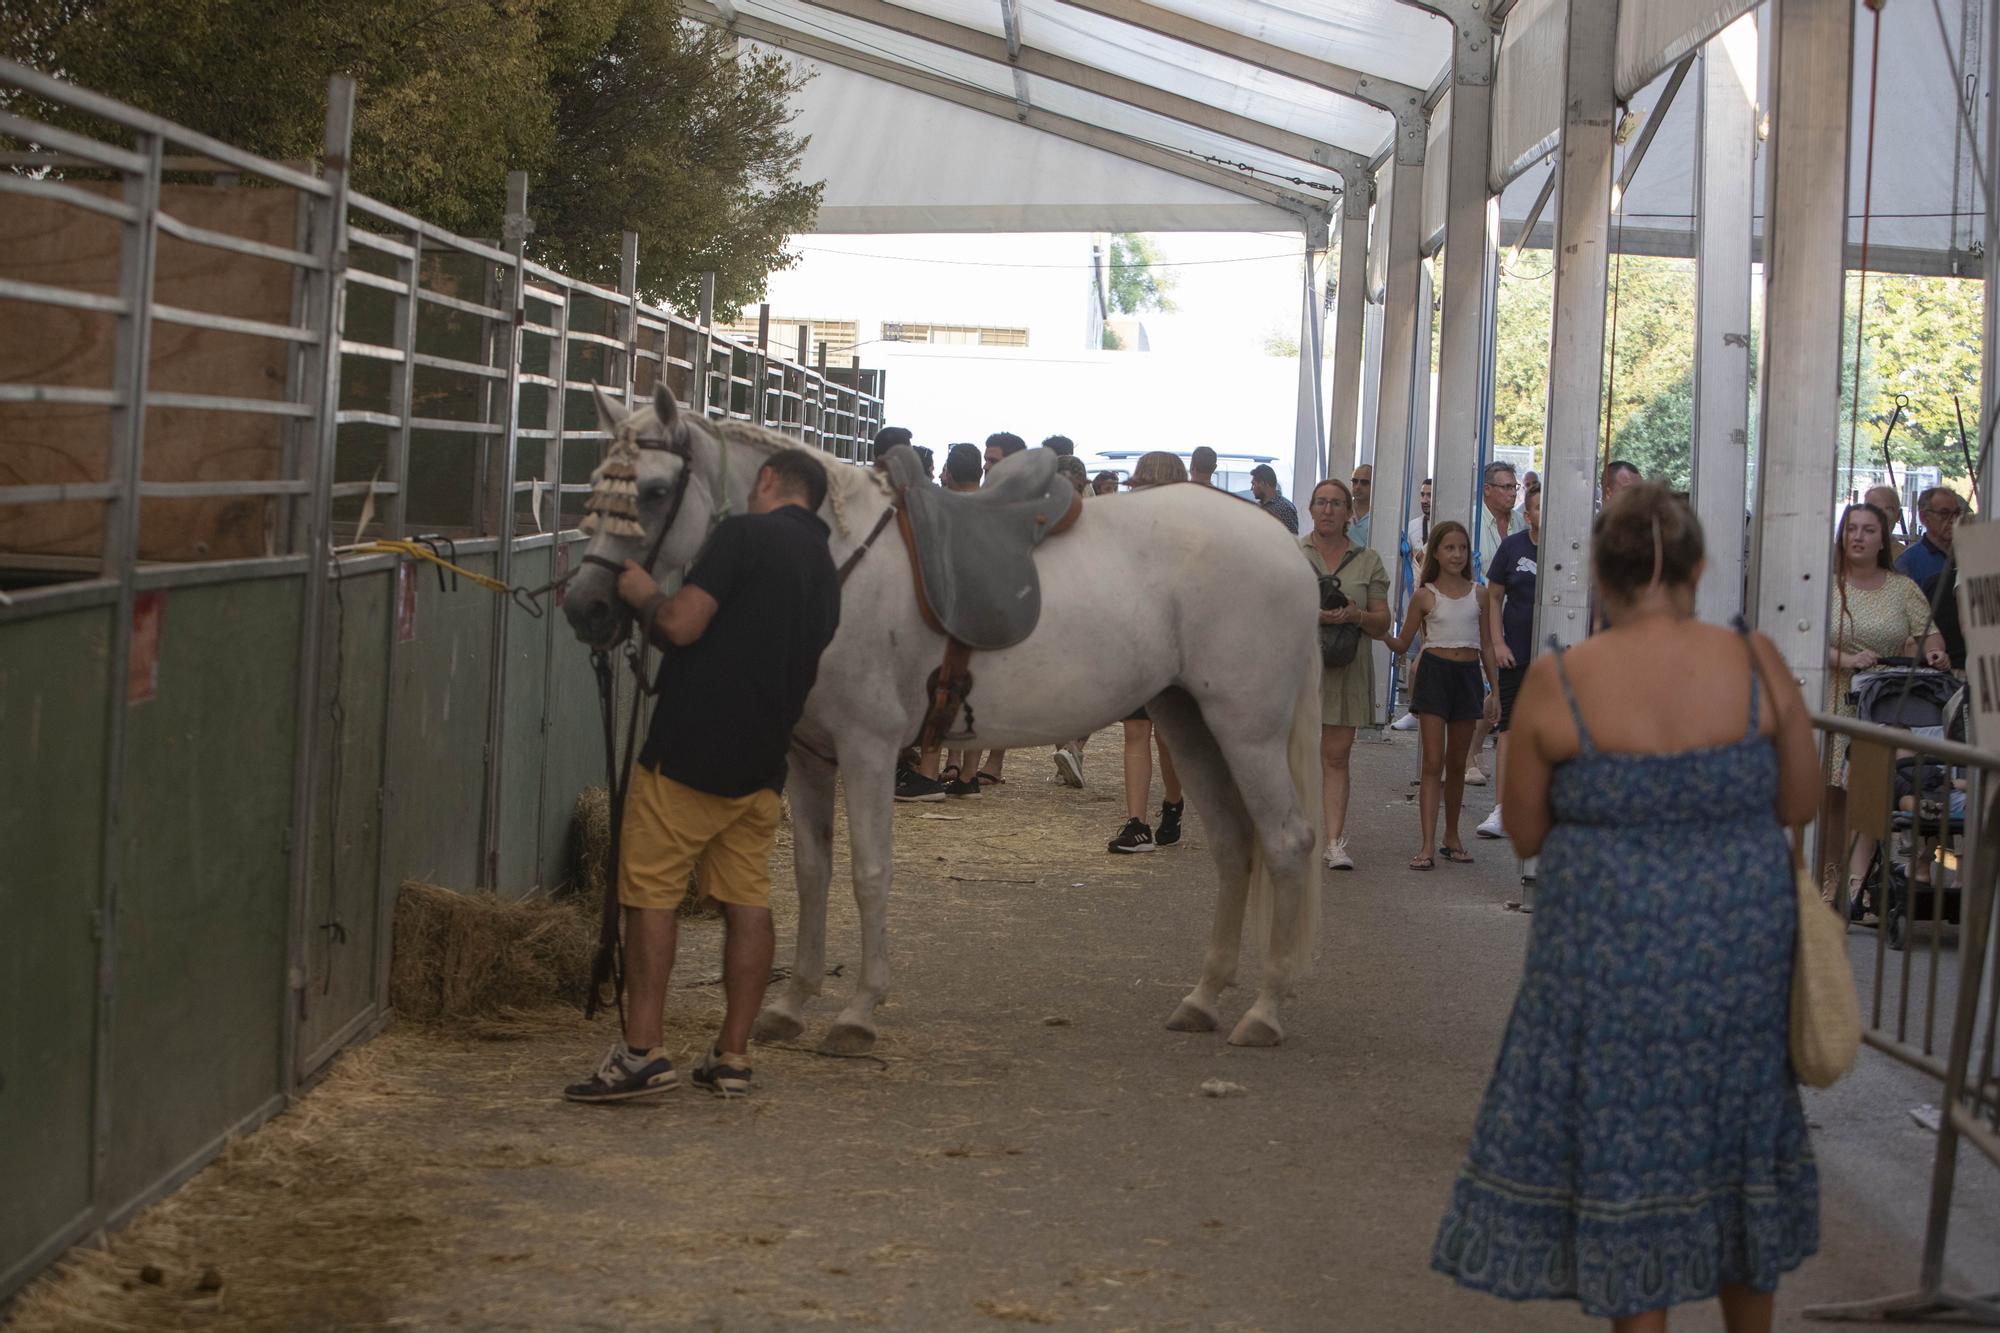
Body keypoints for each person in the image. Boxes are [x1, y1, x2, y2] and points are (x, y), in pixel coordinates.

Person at [1434, 482, 1821, 1329]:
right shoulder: (1756, 663)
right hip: (1737, 963)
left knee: (1627, 1154)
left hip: (1608, 963)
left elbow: (1527, 830)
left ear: (1601, 577)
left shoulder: (1560, 680)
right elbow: (1799, 800)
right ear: (1702, 568)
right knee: (1737, 1142)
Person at [565, 449, 840, 1104]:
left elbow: (683, 623)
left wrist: (641, 595)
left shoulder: (744, 534)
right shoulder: (826, 569)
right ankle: (733, 1054)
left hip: (691, 748)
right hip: (761, 762)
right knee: (747, 900)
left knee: (651, 893)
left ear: (769, 480)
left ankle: (641, 1050)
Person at [1820, 500, 1949, 906]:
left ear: (1883, 541)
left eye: (1868, 530)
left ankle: (1862, 882)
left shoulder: (1903, 588)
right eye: (1851, 528)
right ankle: (1829, 876)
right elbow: (1807, 639)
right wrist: (1846, 658)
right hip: (1835, 698)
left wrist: (1934, 654)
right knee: (1833, 796)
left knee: (1871, 793)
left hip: (1880, 702)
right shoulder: (1826, 584)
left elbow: (1930, 634)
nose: (1858, 536)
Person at [1383, 523, 1499, 870]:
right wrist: (1374, 629)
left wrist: (1494, 690)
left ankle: (1452, 836)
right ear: (1436, 553)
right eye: (1449, 548)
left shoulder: (1479, 595)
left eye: (1462, 548)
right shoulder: (1425, 595)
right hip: (1434, 673)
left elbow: (1488, 646)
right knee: (1433, 762)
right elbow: (1403, 643)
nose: (1456, 554)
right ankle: (1428, 844)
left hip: (1467, 678)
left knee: (1456, 761)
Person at [1303, 477, 1391, 870]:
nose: (1327, 510)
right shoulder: (1292, 553)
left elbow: (1381, 622)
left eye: (1336, 504)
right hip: (1298, 668)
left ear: (1348, 513)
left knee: (1336, 757)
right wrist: (1311, 613)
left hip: (1347, 667)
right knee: (1296, 755)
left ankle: (1334, 841)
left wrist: (1354, 614)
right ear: (1310, 509)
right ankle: (1293, 835)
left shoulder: (1368, 559)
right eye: (1321, 502)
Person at [1108, 450, 1190, 852]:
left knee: (1167, 736)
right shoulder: (1128, 530)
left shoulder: (1189, 533)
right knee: (1137, 729)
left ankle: (1172, 802)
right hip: (1136, 642)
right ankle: (1136, 822)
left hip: (1173, 645)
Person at [1477, 480, 1540, 842]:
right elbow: (1494, 596)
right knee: (1510, 729)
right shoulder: (1513, 547)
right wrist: (1497, 642)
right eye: (1536, 508)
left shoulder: (1572, 549)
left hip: (1559, 657)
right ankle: (1502, 808)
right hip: (1515, 653)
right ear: (1526, 514)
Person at [1468, 461, 1519, 788]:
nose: (1512, 494)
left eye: (1515, 488)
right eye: (1506, 487)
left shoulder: (1519, 523)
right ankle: (1468, 755)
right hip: (1475, 613)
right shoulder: (1472, 521)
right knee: (1483, 686)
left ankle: (1471, 752)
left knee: (1497, 687)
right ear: (1488, 490)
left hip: (1508, 617)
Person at [1897, 485, 1967, 668]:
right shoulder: (1909, 562)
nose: (1953, 520)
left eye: (1957, 513)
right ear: (1924, 517)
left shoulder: (1971, 556)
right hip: (1931, 662)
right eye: (1944, 514)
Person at [1390, 478, 1436, 732]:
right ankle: (1414, 712)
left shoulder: (1446, 525)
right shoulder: (1414, 526)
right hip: (1417, 595)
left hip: (1440, 599)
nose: (1425, 499)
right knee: (1413, 654)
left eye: (1429, 494)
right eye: (1422, 494)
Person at [1250, 463, 1300, 534]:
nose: (1251, 489)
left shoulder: (1286, 508)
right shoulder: (1257, 506)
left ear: (1262, 483)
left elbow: (1292, 540)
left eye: (1253, 484)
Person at [1865, 484, 1907, 561]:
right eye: (1874, 508)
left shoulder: (1908, 558)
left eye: (1888, 509)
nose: (1882, 515)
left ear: (1898, 515)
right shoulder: (1843, 553)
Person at [1348, 463, 1373, 548]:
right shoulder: (1341, 510)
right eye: (1354, 481)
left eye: (1364, 483)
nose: (1357, 487)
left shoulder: (1380, 516)